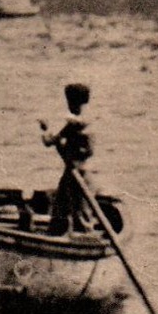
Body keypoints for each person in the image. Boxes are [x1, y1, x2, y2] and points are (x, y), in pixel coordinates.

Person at [40, 82, 96, 235]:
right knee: (60, 208)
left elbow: (50, 141)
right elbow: (52, 141)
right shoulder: (78, 123)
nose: (69, 106)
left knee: (80, 214)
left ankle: (84, 241)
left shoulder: (78, 124)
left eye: (70, 102)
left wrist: (46, 130)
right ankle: (55, 236)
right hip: (73, 172)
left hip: (79, 175)